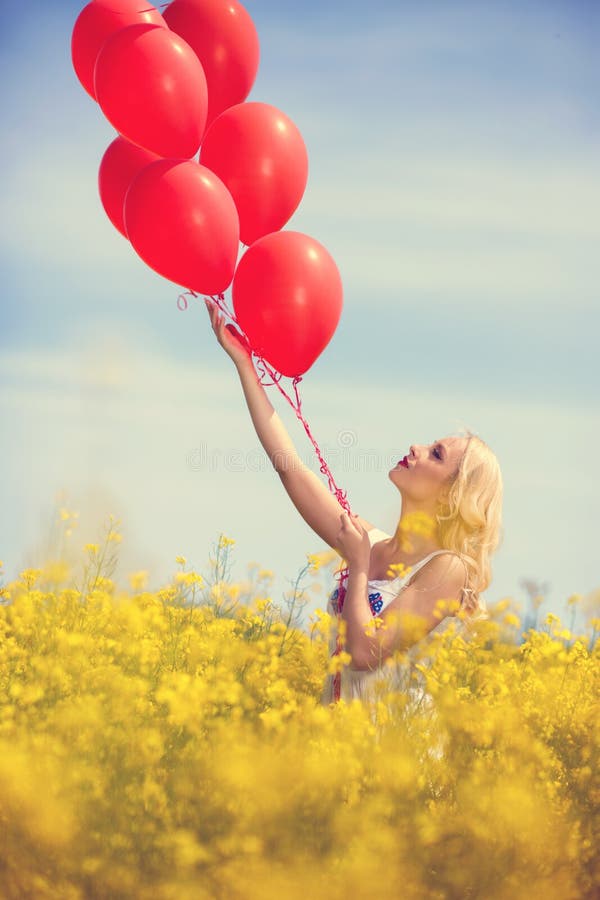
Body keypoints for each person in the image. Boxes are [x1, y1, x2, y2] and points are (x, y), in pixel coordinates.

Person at [204, 297, 504, 706]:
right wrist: (244, 365)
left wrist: (359, 567)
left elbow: (365, 653)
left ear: (454, 495)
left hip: (394, 765)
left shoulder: (449, 568)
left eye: (435, 454)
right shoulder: (369, 540)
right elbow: (291, 469)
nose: (415, 447)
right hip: (336, 754)